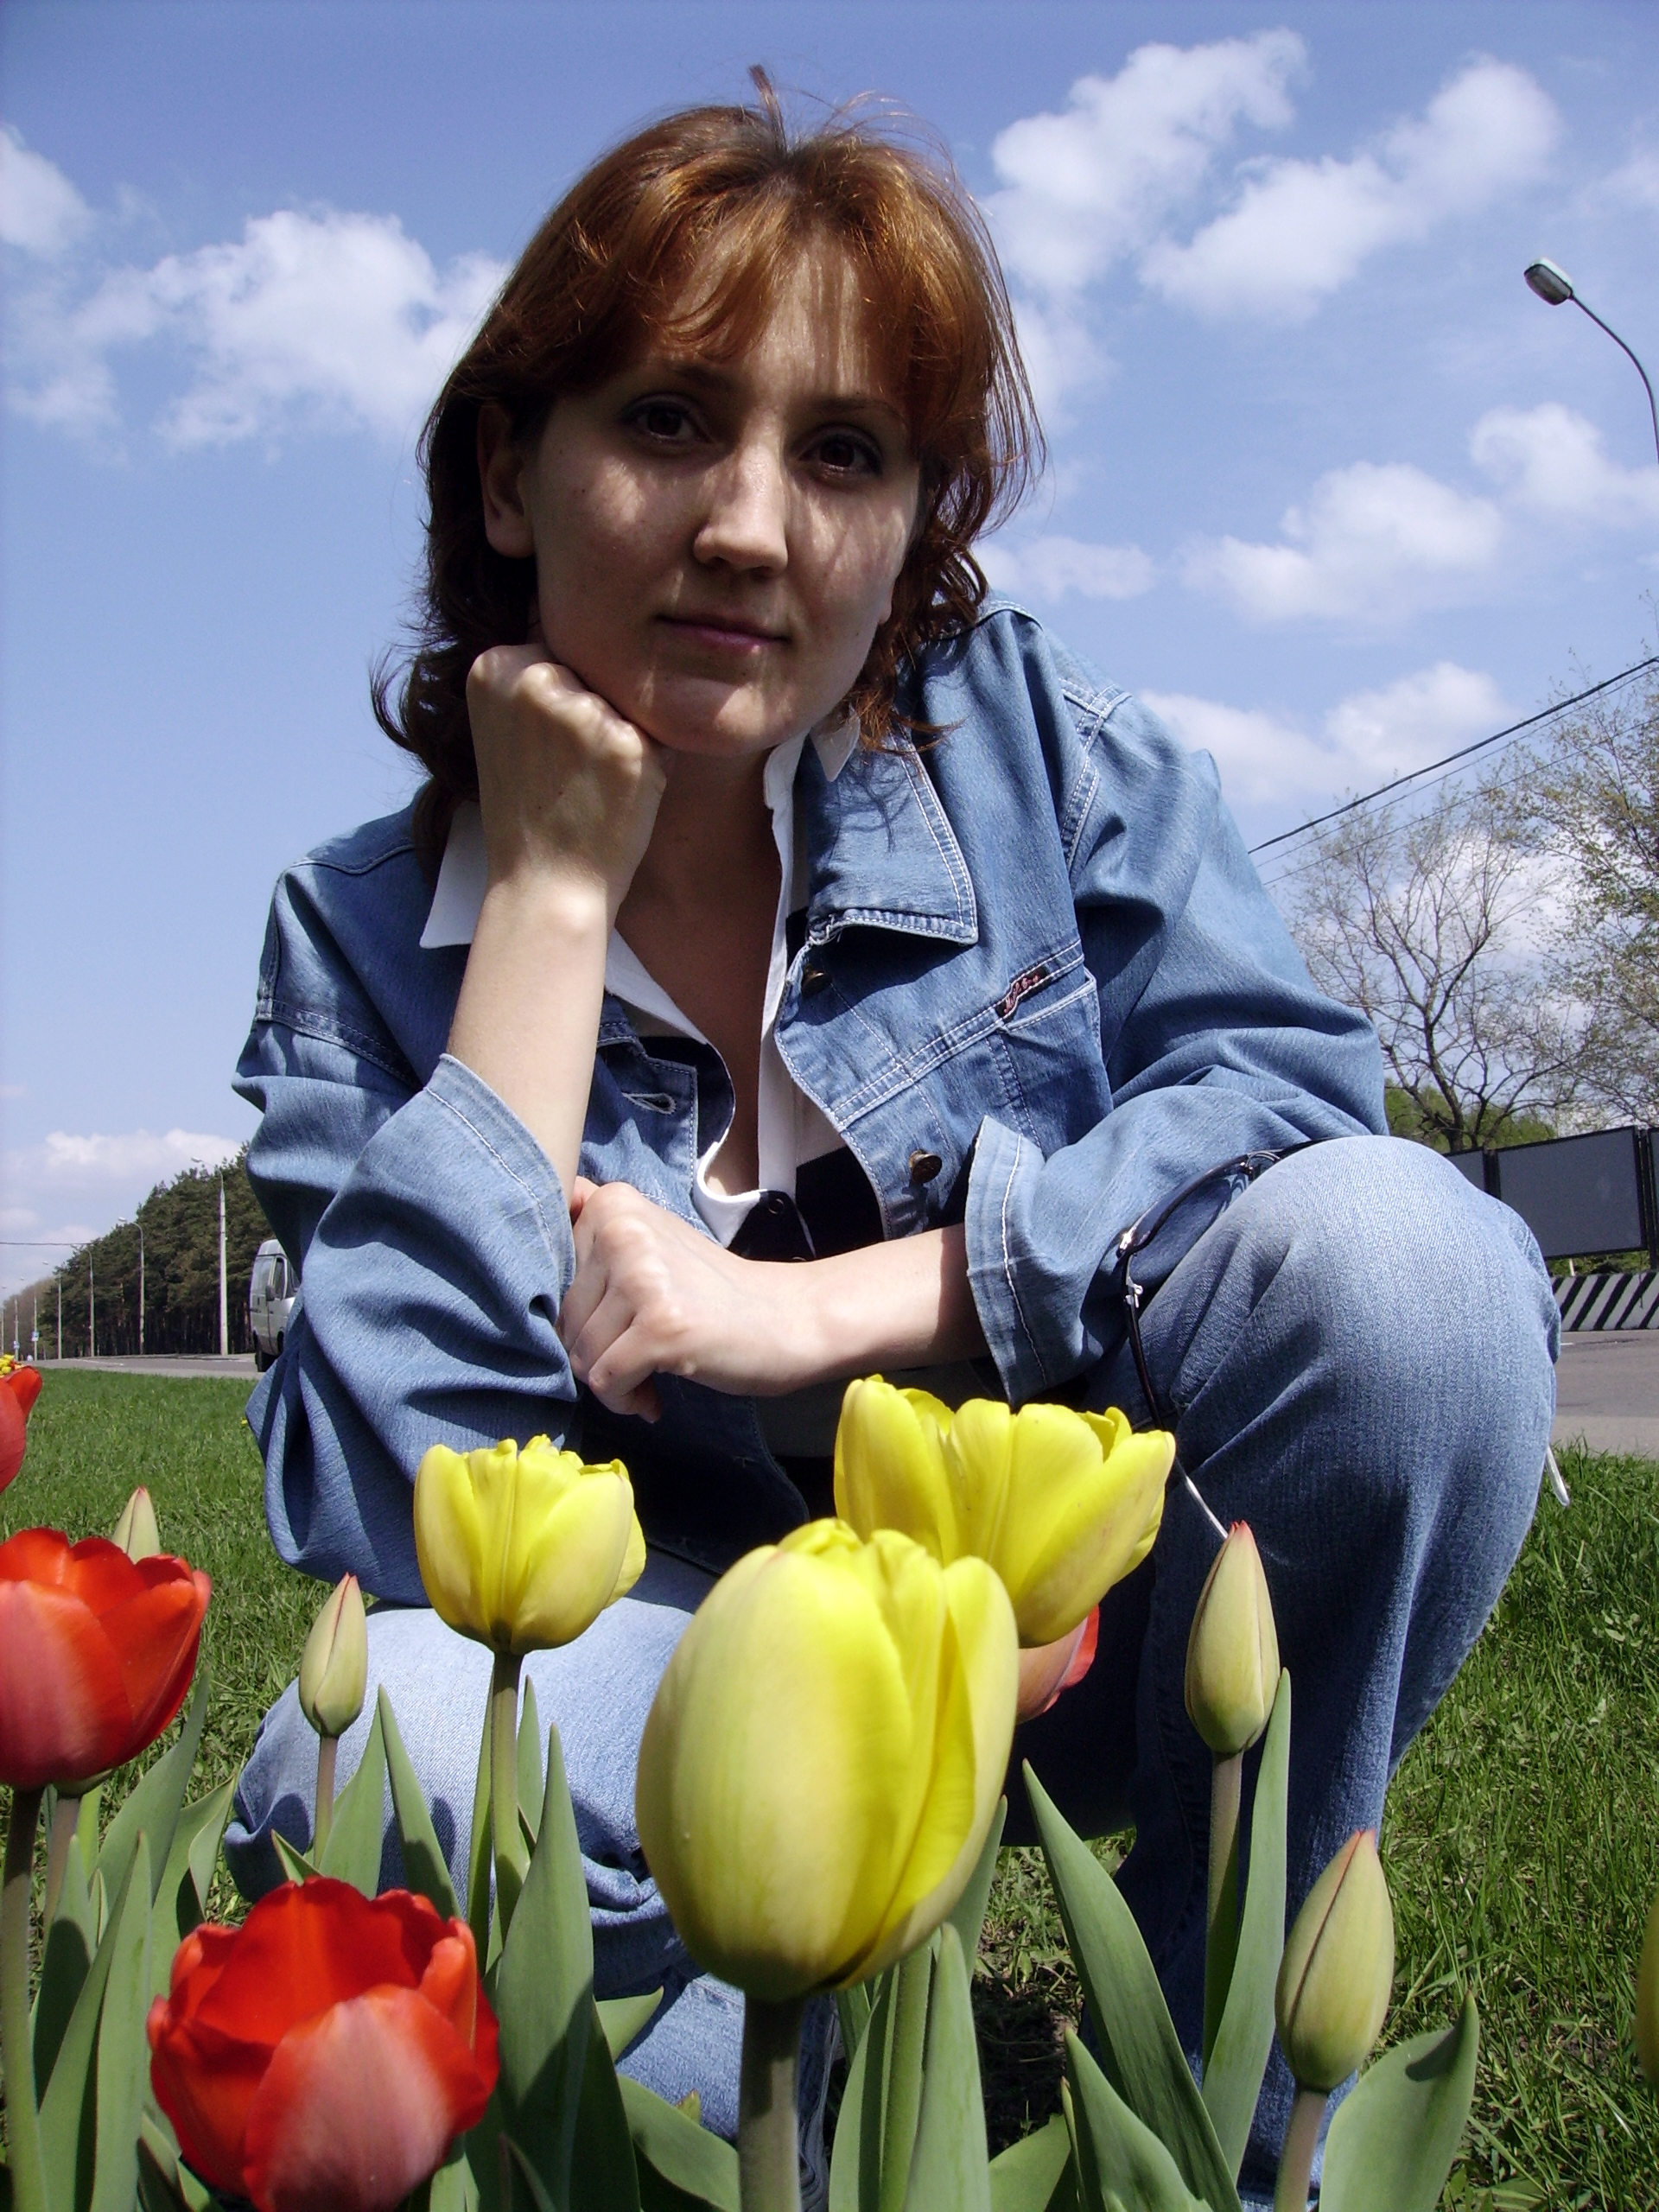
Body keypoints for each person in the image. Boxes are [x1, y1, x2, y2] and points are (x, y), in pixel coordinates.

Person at [224, 79, 1557, 2196]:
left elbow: (1298, 1104)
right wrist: (547, 904)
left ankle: (1226, 2124)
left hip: (1089, 1633)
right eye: (670, 420)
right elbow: (395, 1514)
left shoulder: (1033, 749)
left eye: (842, 452)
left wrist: (835, 1303)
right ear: (506, 468)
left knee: (1408, 1271)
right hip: (686, 1686)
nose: (751, 526)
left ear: (918, 515)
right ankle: (791, 2064)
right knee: (364, 1752)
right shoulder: (367, 936)